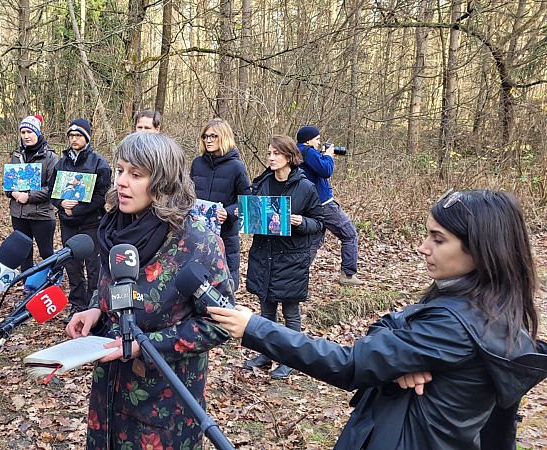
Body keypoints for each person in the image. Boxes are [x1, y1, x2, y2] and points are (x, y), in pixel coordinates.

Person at [210, 189, 547, 450]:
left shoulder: (455, 325)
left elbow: (349, 364)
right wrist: (400, 357)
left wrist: (254, 328)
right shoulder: (480, 302)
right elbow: (390, 326)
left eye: (438, 239)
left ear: (482, 249)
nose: (423, 248)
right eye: (427, 234)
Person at [66, 132, 231, 450]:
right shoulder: (115, 229)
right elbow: (110, 284)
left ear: (164, 183)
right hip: (110, 392)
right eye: (120, 170)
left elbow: (220, 324)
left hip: (165, 402)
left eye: (136, 174)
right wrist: (96, 309)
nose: (121, 183)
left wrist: (147, 345)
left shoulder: (197, 242)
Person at [241, 135, 323, 379]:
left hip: (291, 258)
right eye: (269, 153)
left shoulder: (305, 187)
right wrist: (248, 217)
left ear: (289, 157)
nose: (271, 158)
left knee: (290, 311)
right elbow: (252, 215)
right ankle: (266, 354)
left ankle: (291, 359)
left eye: (277, 153)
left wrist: (301, 221)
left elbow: (319, 222)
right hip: (264, 254)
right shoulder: (262, 182)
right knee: (266, 310)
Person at [49, 118, 111, 322]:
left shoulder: (99, 163)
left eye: (78, 136)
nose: (74, 139)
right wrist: (61, 204)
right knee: (72, 266)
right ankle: (77, 304)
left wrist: (77, 210)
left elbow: (101, 195)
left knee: (94, 267)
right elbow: (52, 191)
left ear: (87, 137)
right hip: (67, 224)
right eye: (71, 136)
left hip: (91, 223)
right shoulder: (61, 163)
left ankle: (95, 306)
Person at [297, 125, 362, 285]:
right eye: (317, 139)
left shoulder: (296, 152)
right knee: (349, 234)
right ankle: (348, 275)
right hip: (324, 204)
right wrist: (329, 156)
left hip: (309, 204)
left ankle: (297, 275)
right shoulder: (308, 152)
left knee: (314, 240)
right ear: (308, 140)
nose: (319, 143)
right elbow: (326, 170)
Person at [190, 118, 250, 290]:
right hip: (198, 232)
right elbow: (189, 192)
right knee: (197, 282)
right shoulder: (197, 163)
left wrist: (229, 212)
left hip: (225, 235)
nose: (208, 140)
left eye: (213, 136)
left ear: (223, 137)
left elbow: (247, 200)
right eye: (205, 136)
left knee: (225, 285)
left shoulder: (236, 167)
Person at [6, 115, 58, 287]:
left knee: (46, 252)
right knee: (24, 252)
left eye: (29, 132)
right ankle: (27, 284)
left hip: (41, 214)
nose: (26, 136)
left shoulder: (50, 157)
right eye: (23, 132)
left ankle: (50, 281)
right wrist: (13, 193)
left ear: (37, 132)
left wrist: (29, 196)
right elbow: (8, 183)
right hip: (19, 213)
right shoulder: (16, 155)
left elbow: (52, 188)